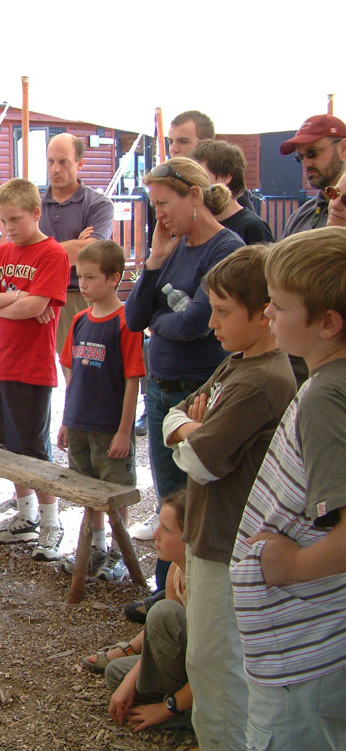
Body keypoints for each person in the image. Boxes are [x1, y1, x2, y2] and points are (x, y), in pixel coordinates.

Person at [161, 246, 296, 750]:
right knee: (209, 658)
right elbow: (175, 417)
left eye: (222, 312)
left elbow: (200, 460)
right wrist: (190, 427)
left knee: (218, 669)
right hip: (209, 535)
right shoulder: (237, 362)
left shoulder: (262, 379)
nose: (211, 323)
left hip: (229, 544)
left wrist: (190, 429)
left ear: (263, 315)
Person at [230, 226, 346, 750]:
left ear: (327, 322)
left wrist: (293, 566)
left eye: (277, 305)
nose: (269, 314)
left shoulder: (327, 398)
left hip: (304, 648)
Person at [123, 157, 243, 601]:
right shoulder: (171, 249)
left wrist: (160, 320)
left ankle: (193, 593)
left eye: (164, 203)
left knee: (194, 494)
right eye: (154, 206)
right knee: (168, 492)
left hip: (198, 386)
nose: (160, 215)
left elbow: (196, 321)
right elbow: (135, 317)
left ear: (195, 195)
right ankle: (166, 586)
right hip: (161, 386)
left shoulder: (224, 249)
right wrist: (154, 260)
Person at [0, 178, 70, 561]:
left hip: (32, 367)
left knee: (33, 452)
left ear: (35, 212)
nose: (9, 227)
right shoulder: (2, 251)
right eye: (2, 220)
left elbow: (37, 308)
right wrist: (15, 298)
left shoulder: (52, 254)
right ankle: (25, 517)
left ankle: (51, 523)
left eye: (14, 219)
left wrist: (8, 303)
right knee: (8, 449)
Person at [57, 240, 145, 582]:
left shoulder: (126, 322)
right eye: (80, 276)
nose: (83, 284)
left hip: (109, 425)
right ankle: (95, 547)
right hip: (80, 422)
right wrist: (66, 420)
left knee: (113, 491)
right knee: (87, 490)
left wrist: (125, 431)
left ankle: (120, 554)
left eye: (91, 277)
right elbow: (70, 372)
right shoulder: (79, 320)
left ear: (113, 278)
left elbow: (132, 380)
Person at [96, 492, 193, 733]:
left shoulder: (207, 585)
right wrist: (129, 682)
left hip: (208, 676)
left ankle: (187, 711)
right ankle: (182, 704)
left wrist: (167, 707)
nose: (156, 533)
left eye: (167, 529)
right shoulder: (175, 571)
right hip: (185, 665)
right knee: (117, 674)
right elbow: (156, 637)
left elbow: (213, 667)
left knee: (162, 612)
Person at [40, 133, 115, 356]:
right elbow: (18, 253)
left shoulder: (99, 205)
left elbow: (90, 254)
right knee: (37, 377)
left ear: (80, 163)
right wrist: (74, 247)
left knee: (84, 373)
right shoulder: (33, 204)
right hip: (40, 298)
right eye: (51, 161)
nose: (55, 169)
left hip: (82, 297)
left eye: (63, 162)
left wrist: (38, 251)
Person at [191, 139, 274, 244]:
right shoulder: (198, 225)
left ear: (226, 177)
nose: (194, 183)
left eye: (201, 175)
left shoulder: (253, 227)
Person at [279, 114, 346, 237]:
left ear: (343, 149)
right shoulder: (300, 218)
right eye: (300, 157)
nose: (306, 164)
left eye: (312, 153)